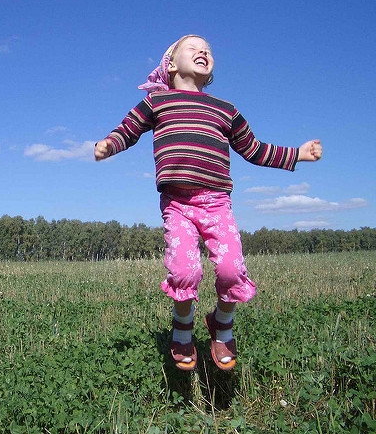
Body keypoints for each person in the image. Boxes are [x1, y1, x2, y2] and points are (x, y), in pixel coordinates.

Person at [94, 35, 322, 371]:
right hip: (178, 203)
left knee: (231, 270)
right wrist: (109, 144)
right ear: (171, 64)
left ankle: (221, 323)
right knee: (185, 270)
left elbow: (254, 149)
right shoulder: (158, 103)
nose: (204, 51)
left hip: (217, 203)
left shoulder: (225, 109)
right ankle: (183, 327)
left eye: (209, 50)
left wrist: (297, 154)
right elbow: (128, 128)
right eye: (193, 48)